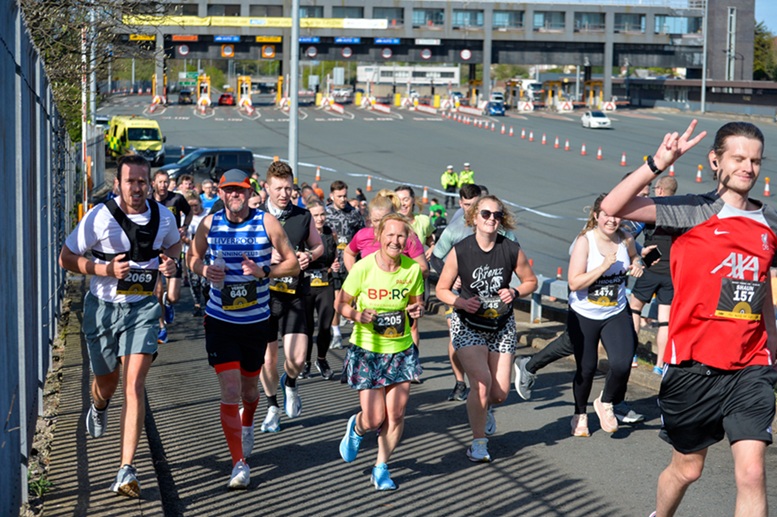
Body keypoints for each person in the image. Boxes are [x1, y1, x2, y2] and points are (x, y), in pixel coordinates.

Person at [601, 121, 777, 517]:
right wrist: (657, 163)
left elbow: (761, 285)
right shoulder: (691, 211)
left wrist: (773, 347)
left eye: (755, 160)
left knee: (751, 472)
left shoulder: (770, 224)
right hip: (694, 368)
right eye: (738, 158)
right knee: (688, 468)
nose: (747, 167)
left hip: (751, 366)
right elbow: (613, 208)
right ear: (715, 161)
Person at [59, 155, 181, 497]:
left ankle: (126, 469)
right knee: (107, 383)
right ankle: (98, 406)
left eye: (143, 181)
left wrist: (170, 263)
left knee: (134, 384)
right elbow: (65, 257)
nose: (137, 188)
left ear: (150, 183)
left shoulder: (163, 216)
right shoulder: (100, 217)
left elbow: (174, 244)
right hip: (102, 309)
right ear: (118, 183)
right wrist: (105, 271)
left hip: (142, 308)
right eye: (131, 182)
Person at [187, 168, 300, 489]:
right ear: (220, 193)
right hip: (220, 322)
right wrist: (204, 269)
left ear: (250, 192)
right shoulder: (210, 223)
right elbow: (191, 257)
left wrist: (263, 270)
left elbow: (291, 263)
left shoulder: (266, 223)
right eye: (229, 190)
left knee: (250, 391)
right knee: (231, 390)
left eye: (240, 190)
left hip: (255, 322)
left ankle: (248, 423)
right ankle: (239, 463)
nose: (234, 195)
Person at [435, 196, 537, 462]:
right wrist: (460, 302)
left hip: (501, 325)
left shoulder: (511, 248)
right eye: (486, 214)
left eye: (497, 215)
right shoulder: (461, 250)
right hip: (468, 323)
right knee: (481, 385)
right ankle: (478, 443)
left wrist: (514, 290)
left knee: (499, 394)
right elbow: (441, 289)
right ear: (474, 218)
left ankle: (486, 409)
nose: (492, 219)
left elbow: (530, 281)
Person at [336, 213, 425, 490]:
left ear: (407, 239)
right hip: (368, 349)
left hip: (400, 350)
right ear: (380, 237)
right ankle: (357, 427)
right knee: (374, 418)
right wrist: (358, 315)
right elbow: (341, 304)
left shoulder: (412, 271)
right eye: (390, 235)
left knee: (396, 414)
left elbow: (416, 307)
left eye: (401, 235)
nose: (395, 240)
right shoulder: (363, 268)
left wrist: (417, 310)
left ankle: (381, 467)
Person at [566, 193, 644, 437]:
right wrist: (602, 267)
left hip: (615, 311)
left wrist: (638, 263)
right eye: (607, 215)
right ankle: (580, 413)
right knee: (587, 369)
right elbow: (574, 282)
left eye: (617, 215)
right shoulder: (584, 242)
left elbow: (635, 256)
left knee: (622, 363)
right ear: (596, 216)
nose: (612, 220)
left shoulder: (626, 238)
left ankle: (606, 402)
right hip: (584, 314)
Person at [258, 161, 324, 433]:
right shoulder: (256, 216)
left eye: (288, 188)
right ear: (267, 187)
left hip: (295, 294)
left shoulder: (302, 215)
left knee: (296, 360)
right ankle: (272, 406)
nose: (284, 194)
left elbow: (318, 245)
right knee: (268, 360)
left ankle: (290, 383)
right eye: (278, 189)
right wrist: (265, 256)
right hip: (264, 295)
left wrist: (309, 255)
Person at [430, 184, 483, 402]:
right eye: (468, 205)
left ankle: (480, 384)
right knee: (456, 338)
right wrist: (451, 276)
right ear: (461, 203)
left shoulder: (491, 222)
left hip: (483, 291)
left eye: (476, 204)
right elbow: (435, 257)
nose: (473, 209)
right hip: (457, 292)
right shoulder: (455, 226)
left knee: (482, 340)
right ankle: (460, 382)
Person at [628, 175, 678, 375]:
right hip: (671, 273)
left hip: (651, 269)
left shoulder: (652, 209)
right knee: (665, 321)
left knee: (634, 309)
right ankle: (659, 365)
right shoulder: (680, 212)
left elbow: (631, 234)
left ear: (659, 190)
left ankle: (630, 354)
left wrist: (637, 257)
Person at [301, 199, 340, 379]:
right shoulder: (302, 234)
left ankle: (322, 359)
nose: (320, 218)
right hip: (307, 283)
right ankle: (306, 362)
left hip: (326, 283)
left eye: (322, 214)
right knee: (307, 327)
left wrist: (335, 264)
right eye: (316, 215)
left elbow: (335, 255)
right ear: (309, 216)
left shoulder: (330, 233)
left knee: (325, 325)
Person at [152, 170, 191, 343]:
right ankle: (161, 327)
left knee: (173, 296)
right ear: (153, 183)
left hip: (172, 249)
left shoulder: (177, 199)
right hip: (154, 250)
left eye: (166, 182)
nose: (163, 185)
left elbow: (189, 212)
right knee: (157, 291)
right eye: (160, 182)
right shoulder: (148, 201)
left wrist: (184, 226)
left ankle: (168, 304)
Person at [326, 180, 365, 349]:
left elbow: (362, 235)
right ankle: (336, 333)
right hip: (333, 263)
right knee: (336, 299)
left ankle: (357, 330)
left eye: (344, 196)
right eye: (339, 196)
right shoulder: (326, 213)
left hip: (351, 263)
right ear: (331, 196)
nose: (342, 199)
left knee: (353, 299)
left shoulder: (353, 213)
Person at [182, 191, 208, 316]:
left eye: (196, 205)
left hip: (207, 253)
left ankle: (208, 303)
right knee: (194, 282)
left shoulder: (208, 214)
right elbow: (181, 236)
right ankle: (197, 304)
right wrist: (190, 241)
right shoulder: (184, 218)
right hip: (190, 252)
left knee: (206, 282)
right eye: (191, 206)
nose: (194, 208)